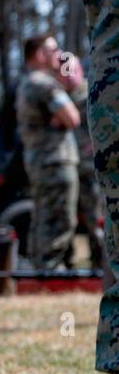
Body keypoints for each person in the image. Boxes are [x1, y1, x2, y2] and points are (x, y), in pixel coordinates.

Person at [21, 0, 119, 374]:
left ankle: (52, 273)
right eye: (52, 53)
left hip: (58, 164)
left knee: (62, 223)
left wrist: (83, 83)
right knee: (59, 225)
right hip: (55, 165)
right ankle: (51, 275)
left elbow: (76, 113)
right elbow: (74, 112)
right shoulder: (37, 84)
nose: (59, 57)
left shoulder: (37, 84)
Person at [15, 34, 81, 272]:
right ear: (41, 54)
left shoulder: (26, 82)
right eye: (53, 50)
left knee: (43, 216)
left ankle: (41, 267)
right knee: (59, 219)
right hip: (55, 160)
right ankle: (51, 270)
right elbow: (72, 117)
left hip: (40, 161)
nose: (58, 54)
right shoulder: (44, 84)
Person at [59, 53, 107, 270]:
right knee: (65, 219)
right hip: (67, 167)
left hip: (90, 169)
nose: (68, 75)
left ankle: (100, 264)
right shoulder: (58, 95)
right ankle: (65, 264)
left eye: (71, 69)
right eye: (63, 70)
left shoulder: (92, 91)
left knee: (94, 219)